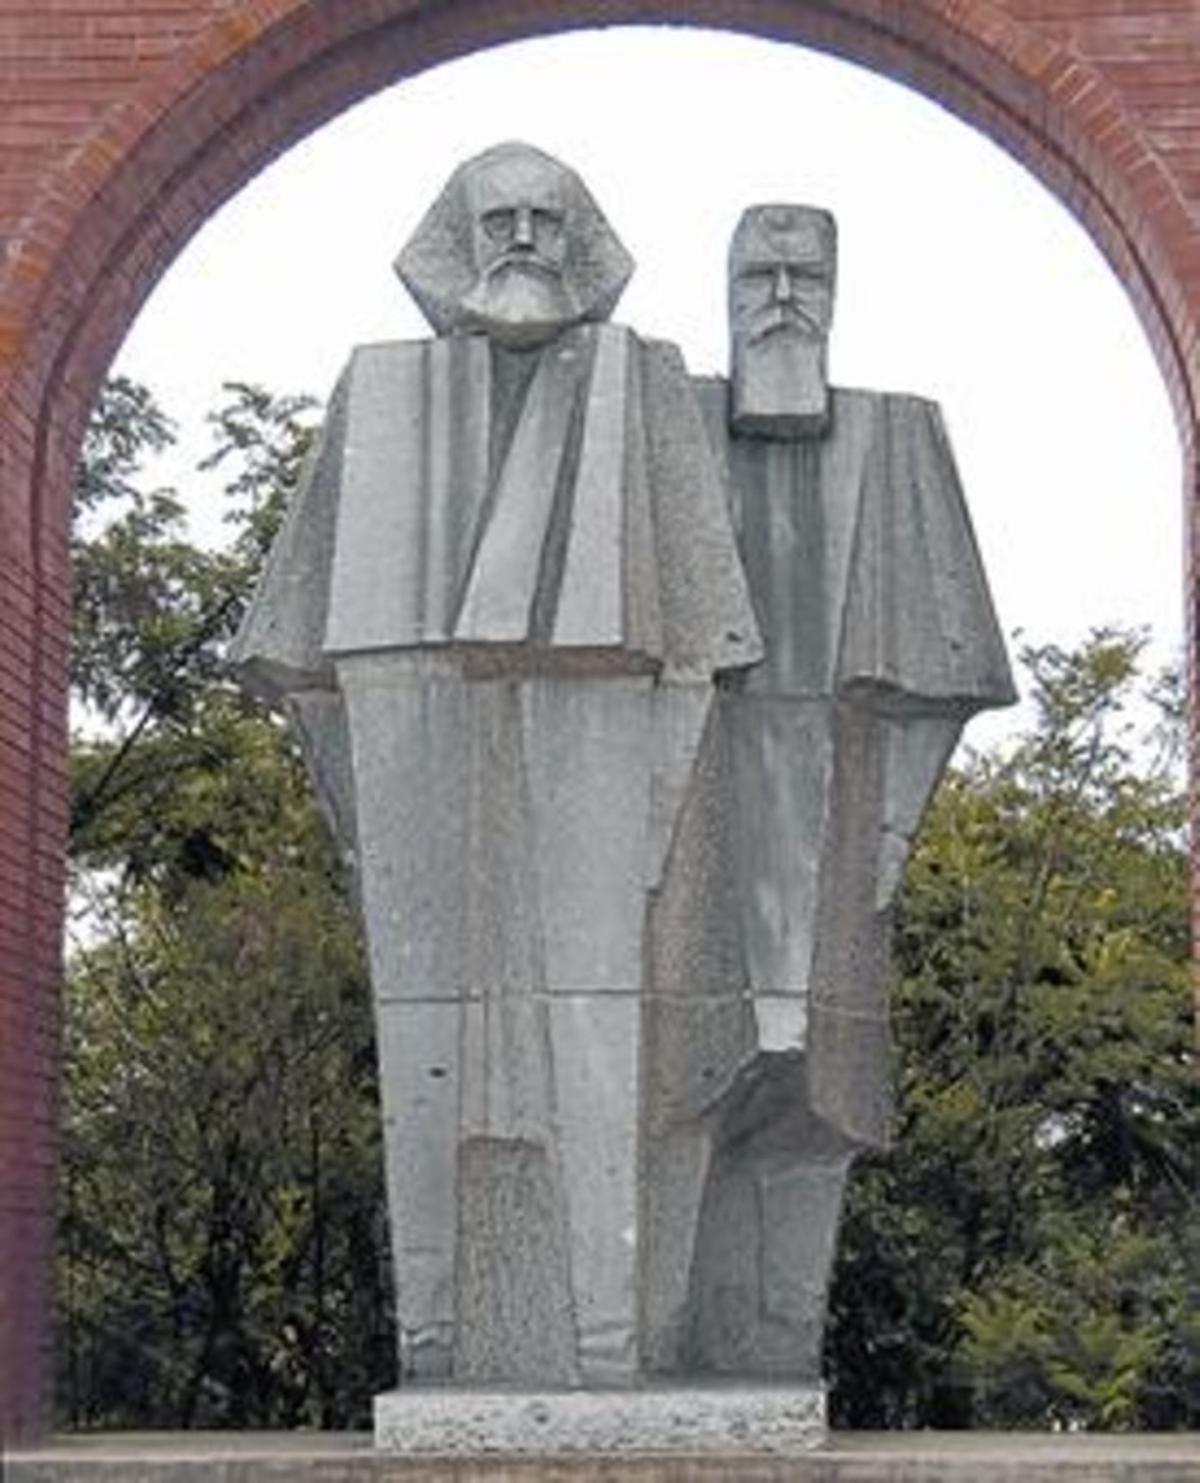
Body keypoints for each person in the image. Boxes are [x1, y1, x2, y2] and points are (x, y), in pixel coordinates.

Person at [233, 143, 763, 1388]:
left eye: (545, 218)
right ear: (454, 239)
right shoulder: (381, 391)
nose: (522, 240)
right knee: (424, 1036)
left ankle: (603, 1342)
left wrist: (663, 770)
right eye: (498, 219)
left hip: (607, 704)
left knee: (599, 1041)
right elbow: (297, 656)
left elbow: (709, 635)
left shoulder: (644, 380)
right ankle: (434, 1344)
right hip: (407, 692)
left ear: (582, 238)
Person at [677, 203, 1017, 1377]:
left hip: (831, 826)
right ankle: (676, 1348)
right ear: (723, 286)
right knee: (681, 1097)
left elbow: (946, 670)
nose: (783, 294)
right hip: (690, 836)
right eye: (759, 271)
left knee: (813, 1101)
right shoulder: (667, 432)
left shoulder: (894, 437)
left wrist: (881, 827)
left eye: (805, 273)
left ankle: (774, 1358)